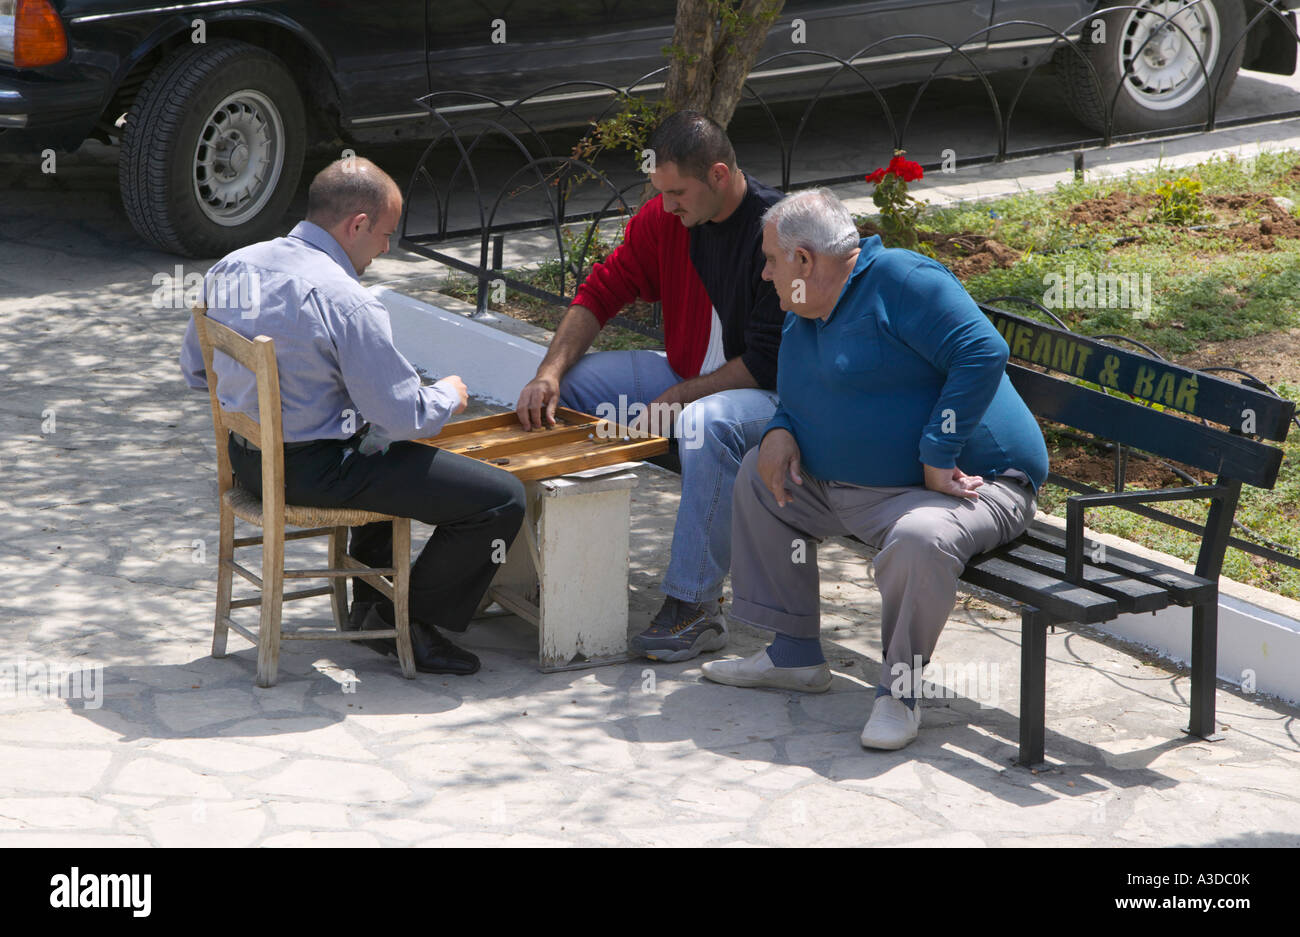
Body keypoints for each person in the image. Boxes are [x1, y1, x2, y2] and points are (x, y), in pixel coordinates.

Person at [703, 188, 1049, 750]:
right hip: (851, 487)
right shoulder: (804, 306)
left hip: (963, 487)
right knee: (757, 479)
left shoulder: (903, 281)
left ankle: (899, 692)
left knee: (919, 540)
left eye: (770, 260)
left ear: (805, 260)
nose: (764, 275)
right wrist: (778, 432)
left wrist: (939, 452)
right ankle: (793, 656)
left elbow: (983, 351)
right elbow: (797, 396)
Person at [180, 156, 525, 676]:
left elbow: (195, 371)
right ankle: (405, 620)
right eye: (385, 234)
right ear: (357, 225)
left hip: (247, 459)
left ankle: (369, 604)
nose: (386, 249)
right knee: (500, 498)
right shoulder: (345, 299)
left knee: (379, 445)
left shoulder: (235, 265)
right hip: (314, 472)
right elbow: (404, 412)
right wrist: (448, 396)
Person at [515, 111, 785, 662]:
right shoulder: (671, 219)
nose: (667, 206)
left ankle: (696, 608)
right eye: (660, 192)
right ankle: (551, 567)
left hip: (766, 397)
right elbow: (601, 291)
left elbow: (767, 362)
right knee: (571, 390)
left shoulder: (776, 229)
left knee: (704, 424)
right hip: (684, 376)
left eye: (677, 193)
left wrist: (685, 396)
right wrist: (549, 373)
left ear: (717, 174)